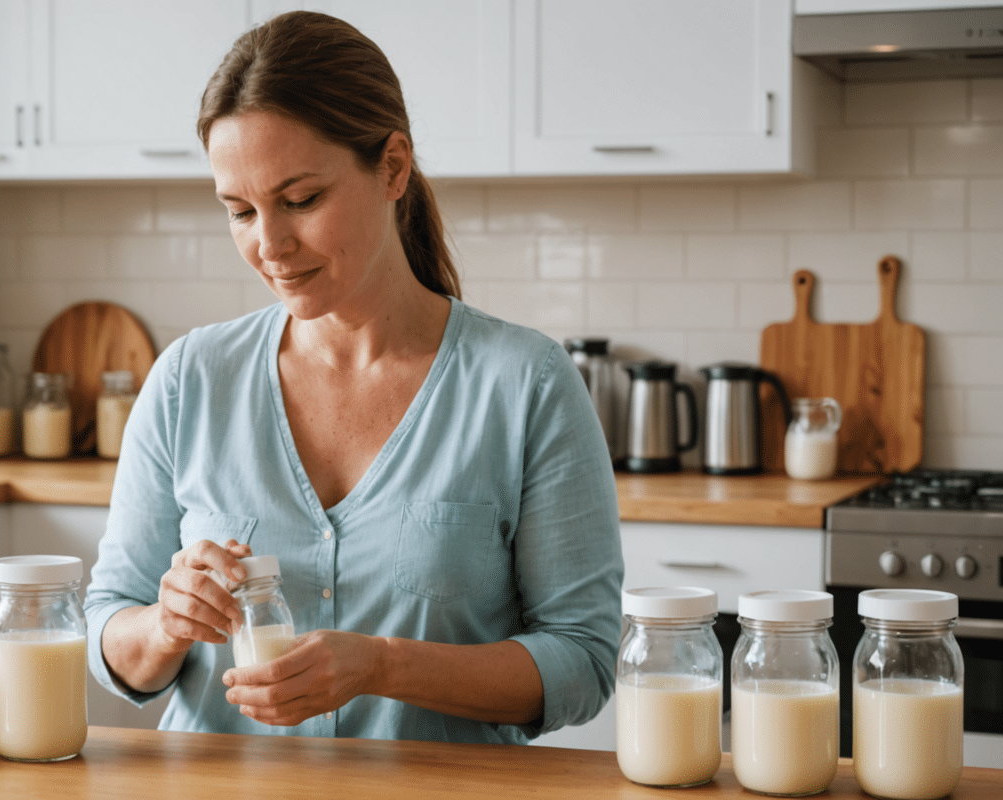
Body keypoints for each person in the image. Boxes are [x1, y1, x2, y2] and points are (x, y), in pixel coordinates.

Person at [84, 10, 622, 745]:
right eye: (239, 211)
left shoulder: (524, 385)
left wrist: (382, 666)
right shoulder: (188, 380)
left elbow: (582, 661)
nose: (269, 245)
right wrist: (163, 622)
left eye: (300, 200)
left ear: (393, 167)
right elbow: (110, 629)